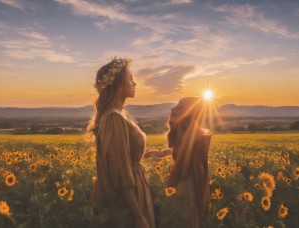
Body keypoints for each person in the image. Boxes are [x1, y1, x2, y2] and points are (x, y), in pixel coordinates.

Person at [87, 57, 154, 228]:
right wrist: (138, 215)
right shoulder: (114, 118)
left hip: (131, 188)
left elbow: (123, 156)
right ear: (118, 84)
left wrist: (149, 155)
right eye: (130, 79)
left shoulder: (119, 113)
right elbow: (121, 172)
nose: (135, 83)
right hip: (126, 198)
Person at [144, 97, 212, 228]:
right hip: (180, 187)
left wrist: (201, 203)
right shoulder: (182, 131)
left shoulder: (200, 136)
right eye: (176, 104)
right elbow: (182, 150)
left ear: (190, 113)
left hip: (189, 190)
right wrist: (162, 153)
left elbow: (200, 171)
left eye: (180, 106)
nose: (173, 108)